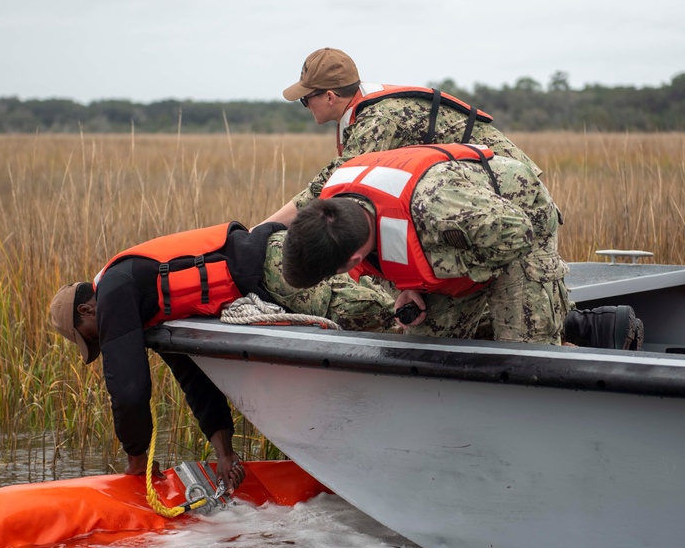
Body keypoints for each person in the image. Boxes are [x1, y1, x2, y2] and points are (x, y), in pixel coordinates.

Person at [49, 221, 394, 492]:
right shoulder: (150, 304)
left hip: (266, 264)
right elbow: (195, 381)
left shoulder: (115, 289)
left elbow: (128, 389)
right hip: (262, 274)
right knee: (376, 311)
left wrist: (136, 460)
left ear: (87, 309)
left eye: (94, 336)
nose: (105, 338)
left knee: (377, 315)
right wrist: (225, 454)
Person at [282, 143, 642, 349]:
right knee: (424, 350)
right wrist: (409, 286)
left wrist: (455, 277)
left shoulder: (439, 208)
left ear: (352, 260)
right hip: (465, 233)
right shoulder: (339, 204)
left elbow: (518, 234)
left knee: (524, 356)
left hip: (516, 218)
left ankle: (595, 333)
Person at [263, 47, 541, 227]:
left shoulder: (377, 121)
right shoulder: (362, 109)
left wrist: (266, 228)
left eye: (305, 100)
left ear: (330, 97)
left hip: (512, 185)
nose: (306, 106)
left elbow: (334, 184)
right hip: (482, 184)